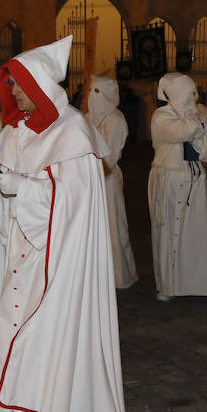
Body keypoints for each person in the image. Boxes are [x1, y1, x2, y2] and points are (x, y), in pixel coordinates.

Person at [0, 36, 127, 412]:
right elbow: (5, 177)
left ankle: (22, 411)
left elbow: (74, 198)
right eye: (9, 83)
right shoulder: (16, 131)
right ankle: (14, 398)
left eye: (17, 83)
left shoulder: (72, 130)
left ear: (41, 86)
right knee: (12, 319)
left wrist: (20, 188)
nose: (10, 90)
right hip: (20, 241)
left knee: (40, 322)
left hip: (56, 249)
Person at [149, 73, 207, 302]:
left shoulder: (198, 114)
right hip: (169, 180)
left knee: (201, 233)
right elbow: (183, 131)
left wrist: (201, 132)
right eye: (189, 92)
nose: (195, 96)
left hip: (195, 180)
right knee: (169, 233)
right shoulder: (161, 116)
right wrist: (197, 122)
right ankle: (170, 286)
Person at [86, 75, 138, 289]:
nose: (92, 96)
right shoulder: (87, 117)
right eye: (90, 90)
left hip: (107, 180)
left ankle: (120, 275)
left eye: (97, 92)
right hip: (89, 181)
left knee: (113, 227)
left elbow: (109, 155)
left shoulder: (116, 120)